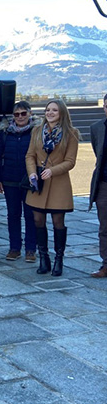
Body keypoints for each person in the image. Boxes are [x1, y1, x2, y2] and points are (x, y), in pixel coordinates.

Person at [25, 99, 79, 277]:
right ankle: (43, 257)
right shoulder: (37, 131)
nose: (50, 113)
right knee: (38, 220)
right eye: (48, 110)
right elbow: (30, 155)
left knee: (58, 222)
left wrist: (52, 171)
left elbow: (70, 162)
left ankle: (59, 259)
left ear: (61, 112)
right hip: (38, 182)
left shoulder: (70, 134)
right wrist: (32, 173)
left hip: (58, 183)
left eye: (54, 110)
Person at [0, 101, 38, 262]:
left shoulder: (36, 132)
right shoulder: (5, 134)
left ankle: (31, 249)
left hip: (29, 181)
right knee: (13, 215)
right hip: (10, 180)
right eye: (17, 114)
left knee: (31, 216)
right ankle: (14, 248)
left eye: (23, 113)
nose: (20, 117)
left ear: (30, 114)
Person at [89, 93, 107, 278]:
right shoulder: (97, 128)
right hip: (104, 185)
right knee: (104, 227)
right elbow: (98, 153)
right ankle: (106, 264)